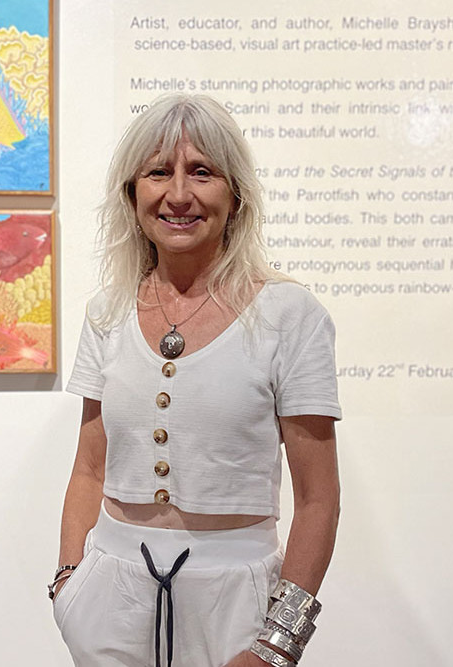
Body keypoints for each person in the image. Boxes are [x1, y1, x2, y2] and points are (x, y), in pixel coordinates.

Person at [52, 93, 342, 667]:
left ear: (235, 195)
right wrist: (69, 585)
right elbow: (89, 466)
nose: (178, 194)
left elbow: (318, 500)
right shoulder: (106, 312)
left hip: (235, 600)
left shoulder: (290, 315)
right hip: (110, 591)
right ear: (132, 193)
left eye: (202, 172)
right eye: (158, 171)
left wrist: (277, 644)